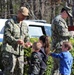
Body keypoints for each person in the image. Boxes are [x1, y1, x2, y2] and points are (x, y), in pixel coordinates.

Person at [1, 7, 31, 75]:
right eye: (23, 15)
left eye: (26, 16)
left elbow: (26, 36)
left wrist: (27, 42)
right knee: (9, 71)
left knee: (20, 71)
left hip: (20, 53)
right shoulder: (10, 22)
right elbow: (7, 35)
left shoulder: (24, 25)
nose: (24, 17)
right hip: (9, 51)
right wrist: (16, 41)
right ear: (19, 13)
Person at [51, 6, 73, 75]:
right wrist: (71, 33)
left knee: (57, 68)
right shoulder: (59, 20)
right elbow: (63, 33)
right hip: (59, 46)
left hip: (61, 46)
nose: (67, 16)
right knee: (59, 68)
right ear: (64, 12)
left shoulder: (62, 20)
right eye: (67, 14)